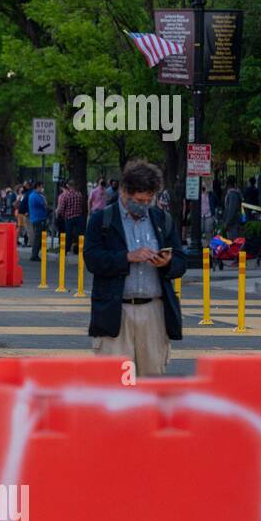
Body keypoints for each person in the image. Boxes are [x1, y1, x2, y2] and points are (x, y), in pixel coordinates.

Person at [84, 159, 188, 377]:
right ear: (124, 191)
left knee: (152, 380)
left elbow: (181, 260)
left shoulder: (162, 220)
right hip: (116, 310)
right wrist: (126, 257)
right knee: (117, 381)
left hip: (154, 311)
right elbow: (92, 259)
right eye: (139, 200)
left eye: (149, 200)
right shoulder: (102, 220)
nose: (144, 205)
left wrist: (167, 262)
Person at [56, 179, 84, 253]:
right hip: (78, 216)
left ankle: (66, 249)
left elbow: (62, 207)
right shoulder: (79, 194)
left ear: (68, 186)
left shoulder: (66, 195)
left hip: (69, 217)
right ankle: (80, 248)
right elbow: (81, 205)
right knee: (80, 233)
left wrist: (61, 215)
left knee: (68, 234)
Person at [27, 181, 48, 260]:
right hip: (39, 218)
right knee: (38, 237)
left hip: (35, 218)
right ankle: (34, 255)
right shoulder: (37, 196)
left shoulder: (31, 195)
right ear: (38, 187)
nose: (42, 189)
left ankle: (35, 254)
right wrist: (43, 197)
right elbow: (45, 204)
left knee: (38, 237)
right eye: (41, 187)